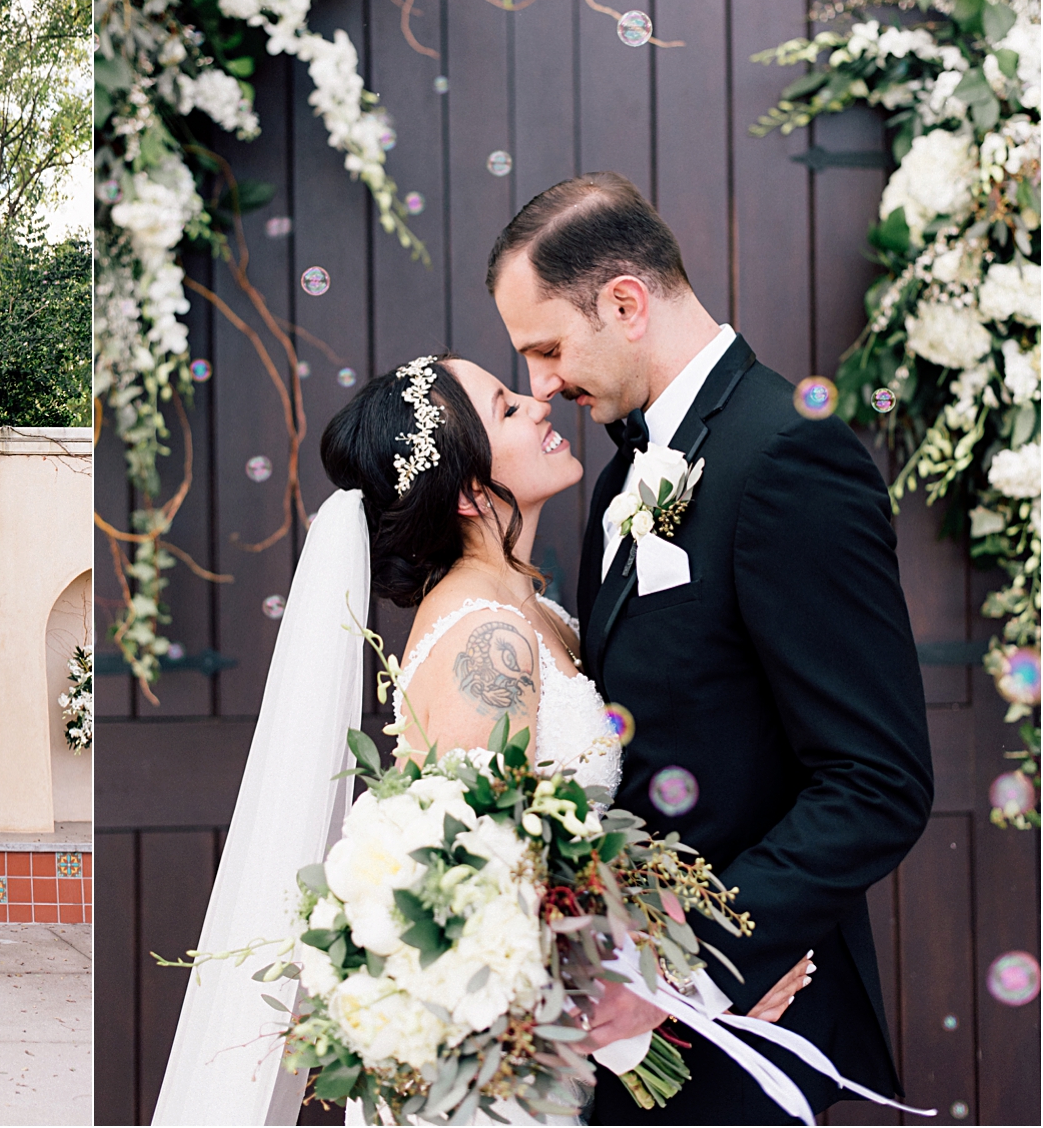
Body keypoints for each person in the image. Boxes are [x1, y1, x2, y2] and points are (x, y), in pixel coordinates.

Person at [154, 348, 819, 1126]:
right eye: (507, 406)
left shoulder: (536, 613)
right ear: (471, 491)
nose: (541, 404)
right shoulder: (489, 639)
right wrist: (688, 991)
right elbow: (485, 906)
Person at [487, 171, 933, 1123]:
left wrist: (684, 965)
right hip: (643, 1042)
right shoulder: (620, 479)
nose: (543, 384)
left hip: (755, 1025)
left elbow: (877, 779)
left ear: (626, 302)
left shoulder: (787, 455)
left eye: (548, 347)